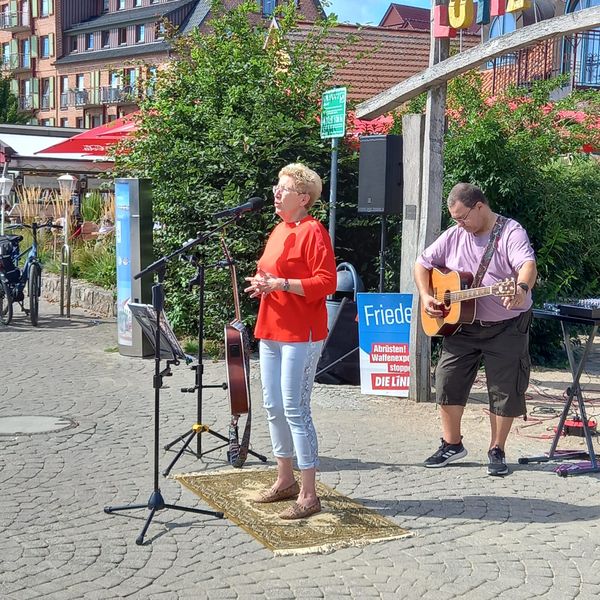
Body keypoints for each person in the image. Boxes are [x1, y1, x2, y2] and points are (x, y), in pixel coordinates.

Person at [414, 183, 537, 476]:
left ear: (480, 207)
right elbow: (421, 263)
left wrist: (520, 289)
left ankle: (497, 449)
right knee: (446, 380)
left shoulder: (510, 232)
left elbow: (527, 265)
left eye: (462, 217)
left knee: (505, 388)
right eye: (455, 219)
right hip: (461, 327)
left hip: (506, 325)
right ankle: (452, 444)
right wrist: (426, 295)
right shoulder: (455, 234)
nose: (459, 224)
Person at [244, 163, 336, 519]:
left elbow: (326, 282)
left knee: (296, 409)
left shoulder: (314, 232)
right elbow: (271, 270)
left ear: (303, 198)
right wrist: (262, 282)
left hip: (302, 332)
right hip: (271, 326)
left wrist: (281, 285)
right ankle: (285, 481)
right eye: (275, 187)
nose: (275, 193)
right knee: (273, 407)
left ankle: (310, 494)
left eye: (282, 189)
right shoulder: (279, 229)